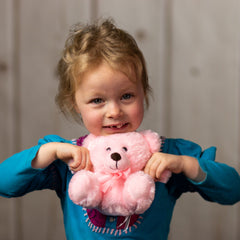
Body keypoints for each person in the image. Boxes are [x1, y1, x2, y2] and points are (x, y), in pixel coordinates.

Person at [0, 18, 240, 240]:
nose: (114, 111)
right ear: (76, 103)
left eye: (126, 96)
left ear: (142, 92)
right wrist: (49, 151)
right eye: (97, 100)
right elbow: (4, 183)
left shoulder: (167, 155)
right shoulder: (67, 157)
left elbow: (232, 190)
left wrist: (185, 164)